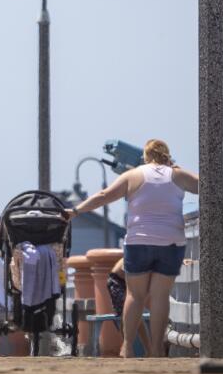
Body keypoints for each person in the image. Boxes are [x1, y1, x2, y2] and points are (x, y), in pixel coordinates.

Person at [65, 138, 197, 358]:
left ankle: (127, 346)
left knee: (134, 295)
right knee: (160, 296)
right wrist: (180, 171)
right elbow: (207, 185)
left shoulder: (133, 175)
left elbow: (103, 196)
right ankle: (156, 349)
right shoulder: (177, 175)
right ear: (166, 155)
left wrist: (76, 211)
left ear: (145, 156)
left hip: (139, 242)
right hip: (171, 242)